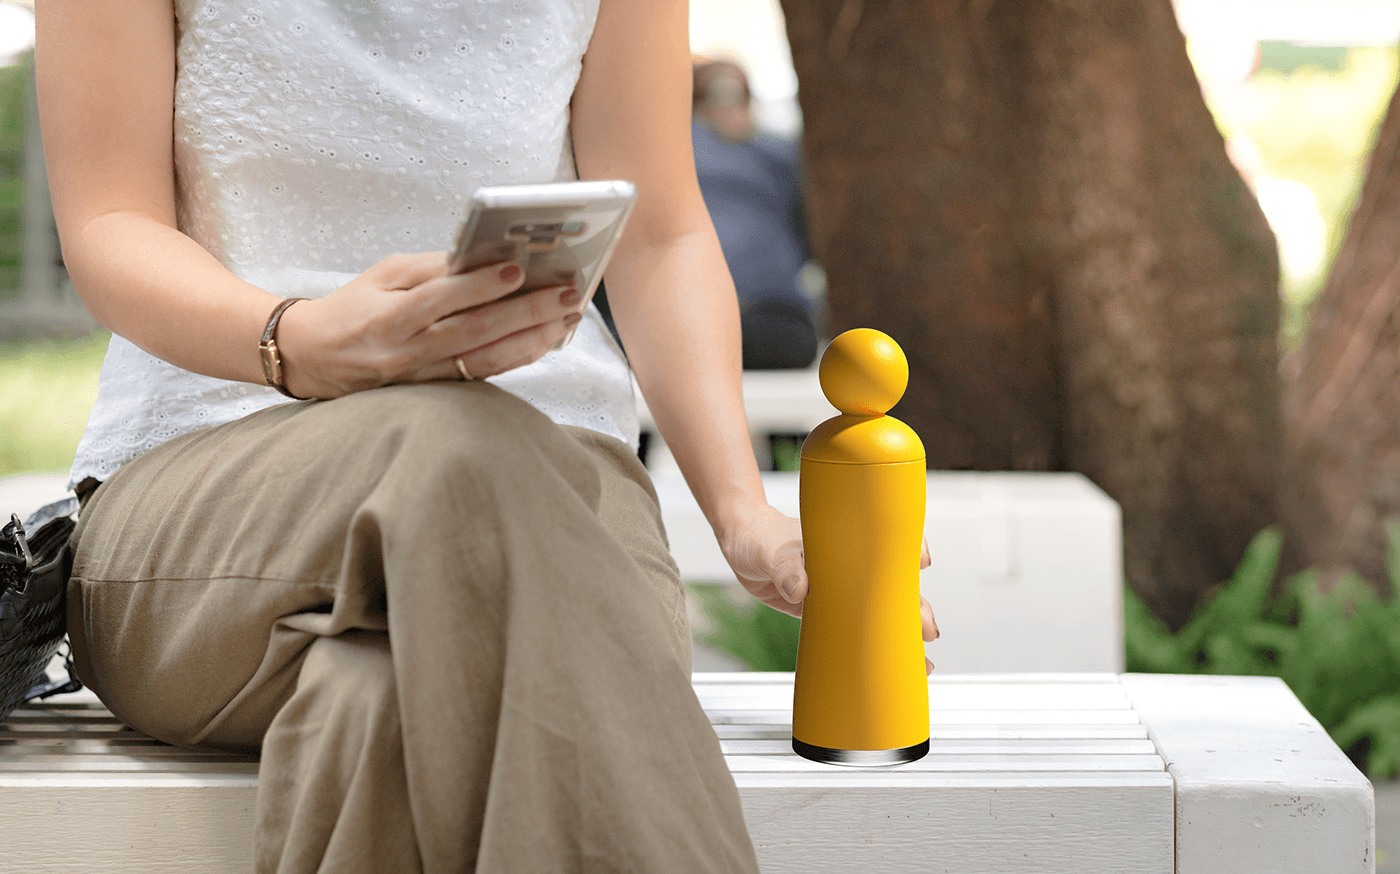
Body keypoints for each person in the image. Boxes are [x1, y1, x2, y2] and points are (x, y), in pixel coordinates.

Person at [35, 1, 938, 871]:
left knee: (376, 702)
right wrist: (301, 343)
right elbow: (111, 221)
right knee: (459, 443)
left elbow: (659, 234)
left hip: (564, 486)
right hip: (208, 500)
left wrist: (745, 515)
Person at [692, 59, 819, 371]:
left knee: (790, 342)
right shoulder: (682, 151)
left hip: (768, 310)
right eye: (714, 94)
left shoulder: (777, 154)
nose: (727, 106)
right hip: (691, 307)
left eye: (738, 95)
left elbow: (807, 227)